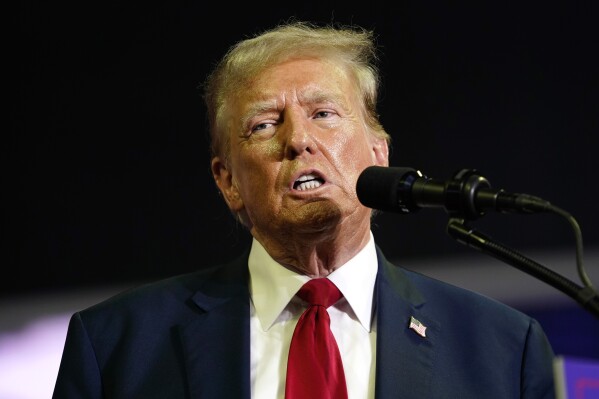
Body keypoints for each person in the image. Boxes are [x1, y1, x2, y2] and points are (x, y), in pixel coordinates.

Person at [52, 20, 556, 398]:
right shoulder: (117, 348)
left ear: (379, 153)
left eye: (324, 114)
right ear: (227, 181)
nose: (299, 140)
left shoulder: (502, 349)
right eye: (265, 125)